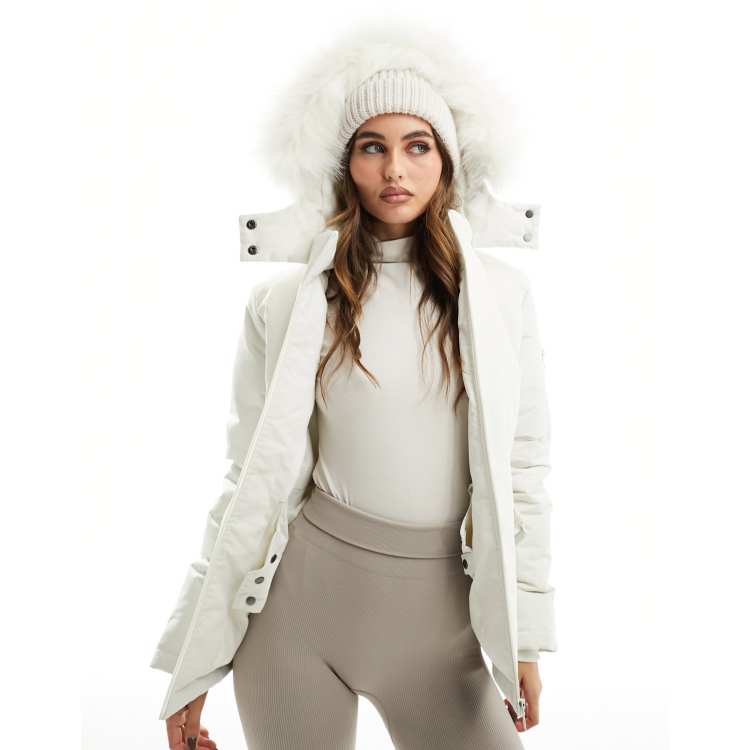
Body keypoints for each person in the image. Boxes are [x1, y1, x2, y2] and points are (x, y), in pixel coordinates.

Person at [154, 26, 556, 750]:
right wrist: (193, 663)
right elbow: (248, 482)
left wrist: (524, 637)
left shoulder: (500, 297)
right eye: (372, 146)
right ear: (345, 165)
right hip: (296, 624)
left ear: (446, 161)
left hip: (443, 635)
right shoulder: (285, 303)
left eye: (417, 145)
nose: (394, 168)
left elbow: (522, 472)